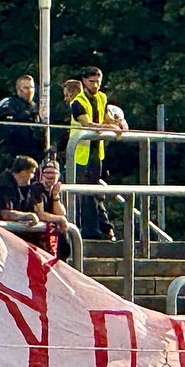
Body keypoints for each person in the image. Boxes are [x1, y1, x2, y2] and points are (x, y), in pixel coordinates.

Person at [70, 67, 121, 240]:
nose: (96, 84)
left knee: (95, 193)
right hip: (80, 154)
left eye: (98, 81)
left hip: (96, 152)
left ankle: (100, 228)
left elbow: (105, 118)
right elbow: (87, 124)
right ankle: (88, 230)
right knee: (86, 194)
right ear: (84, 81)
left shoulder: (102, 97)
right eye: (92, 81)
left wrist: (117, 123)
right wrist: (110, 127)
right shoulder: (78, 101)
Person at [0, 156, 42, 228]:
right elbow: (5, 214)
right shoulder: (4, 186)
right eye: (32, 172)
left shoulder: (22, 188)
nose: (32, 176)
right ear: (23, 172)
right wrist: (27, 216)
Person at [0, 75, 41, 162]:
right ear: (18, 90)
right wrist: (28, 116)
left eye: (31, 87)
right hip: (14, 153)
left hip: (35, 152)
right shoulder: (9, 104)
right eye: (25, 88)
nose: (29, 91)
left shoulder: (36, 107)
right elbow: (8, 128)